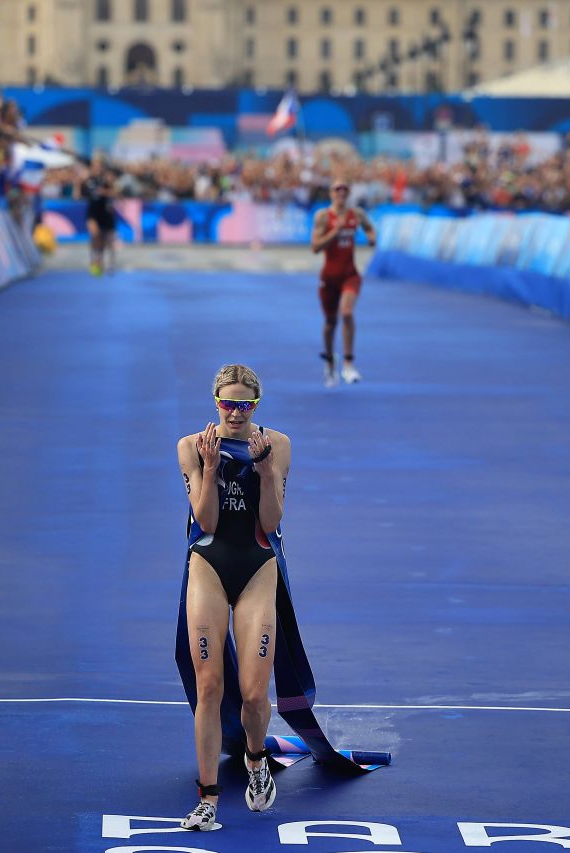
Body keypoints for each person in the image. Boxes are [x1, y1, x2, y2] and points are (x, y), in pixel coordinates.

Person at [176, 364, 291, 830]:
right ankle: (207, 799)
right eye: (227, 403)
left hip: (257, 567)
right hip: (209, 565)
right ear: (216, 402)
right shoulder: (191, 446)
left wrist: (264, 471)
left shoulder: (277, 445)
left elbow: (269, 522)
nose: (236, 412)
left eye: (245, 404)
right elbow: (205, 523)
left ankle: (257, 761)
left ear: (256, 405)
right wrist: (209, 468)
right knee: (209, 686)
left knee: (254, 692)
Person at [310, 182, 375, 386]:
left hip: (350, 274)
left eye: (345, 189)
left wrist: (372, 237)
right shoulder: (323, 216)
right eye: (337, 189)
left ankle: (348, 364)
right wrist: (334, 232)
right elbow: (315, 247)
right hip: (329, 277)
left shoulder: (357, 214)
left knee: (346, 312)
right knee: (330, 323)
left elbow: (369, 227)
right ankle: (330, 362)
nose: (341, 192)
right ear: (331, 192)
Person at [79, 157, 117, 276]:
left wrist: (104, 191)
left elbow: (116, 193)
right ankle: (95, 262)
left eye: (99, 166)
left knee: (107, 240)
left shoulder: (107, 179)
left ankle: (109, 263)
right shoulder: (87, 180)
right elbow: (79, 195)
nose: (97, 168)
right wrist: (78, 182)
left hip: (106, 212)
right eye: (95, 166)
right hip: (93, 212)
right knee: (95, 236)